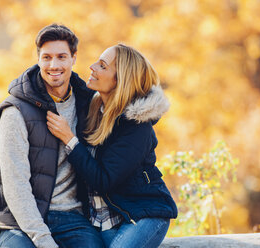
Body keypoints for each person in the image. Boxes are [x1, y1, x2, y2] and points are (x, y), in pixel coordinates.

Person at [46, 44, 178, 248]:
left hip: (143, 216)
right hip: (103, 222)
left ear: (120, 80)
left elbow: (103, 180)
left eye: (102, 66)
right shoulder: (94, 106)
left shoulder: (136, 127)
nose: (92, 67)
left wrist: (69, 139)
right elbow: (61, 77)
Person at [0, 24, 105, 248]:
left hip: (72, 217)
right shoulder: (16, 112)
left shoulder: (88, 102)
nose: (54, 65)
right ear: (38, 59)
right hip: (18, 221)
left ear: (74, 58)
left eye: (62, 57)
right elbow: (16, 187)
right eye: (47, 57)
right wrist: (43, 240)